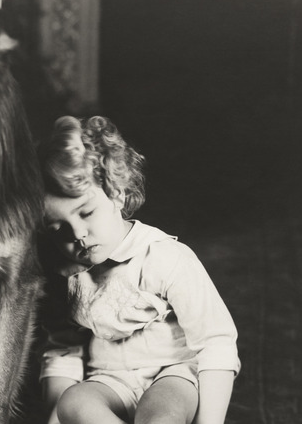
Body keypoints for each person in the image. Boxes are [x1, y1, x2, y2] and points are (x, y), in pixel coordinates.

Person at [36, 116, 240, 424]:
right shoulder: (68, 275)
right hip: (108, 380)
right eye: (59, 229)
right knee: (72, 403)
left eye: (87, 212)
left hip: (171, 375)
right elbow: (64, 349)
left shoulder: (164, 257)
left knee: (160, 417)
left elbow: (216, 342)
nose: (78, 234)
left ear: (116, 193)